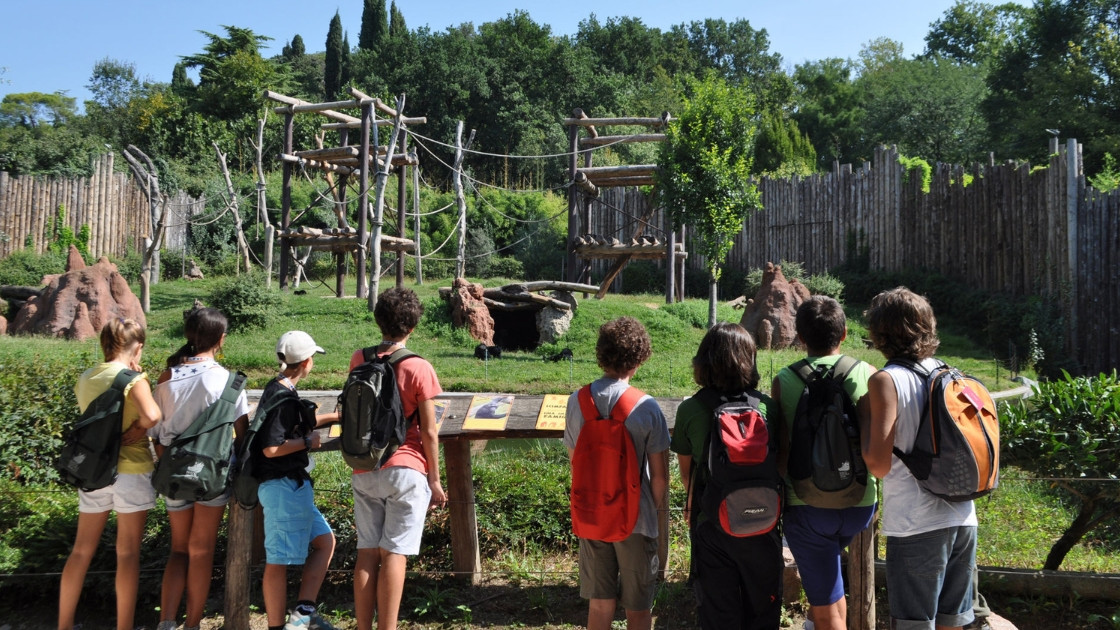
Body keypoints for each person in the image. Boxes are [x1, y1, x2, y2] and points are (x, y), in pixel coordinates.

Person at [863, 287, 977, 630]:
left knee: (914, 623)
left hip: (916, 525)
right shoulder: (951, 373)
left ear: (880, 332)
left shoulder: (887, 380)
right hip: (963, 517)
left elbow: (879, 465)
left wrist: (864, 424)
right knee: (952, 621)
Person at [772, 296, 878, 630]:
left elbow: (782, 450)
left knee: (825, 605)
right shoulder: (868, 374)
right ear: (844, 333)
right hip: (861, 503)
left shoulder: (785, 380)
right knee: (830, 586)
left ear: (799, 337)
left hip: (807, 506)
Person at [670, 321, 783, 629]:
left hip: (712, 523)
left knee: (718, 611)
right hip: (763, 522)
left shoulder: (691, 410)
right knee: (763, 608)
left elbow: (686, 474)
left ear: (703, 360)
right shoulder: (768, 408)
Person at [349, 287, 447, 630]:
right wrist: (434, 480)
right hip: (406, 468)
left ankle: (363, 627)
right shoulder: (419, 366)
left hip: (364, 466)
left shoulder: (359, 359)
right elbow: (431, 431)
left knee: (367, 552)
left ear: (378, 322)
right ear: (413, 326)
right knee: (394, 553)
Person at [563, 316, 670, 630]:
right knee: (638, 608)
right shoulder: (647, 407)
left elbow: (576, 461)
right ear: (640, 358)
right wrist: (652, 507)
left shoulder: (577, 401)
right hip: (637, 520)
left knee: (600, 603)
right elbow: (660, 476)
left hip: (592, 515)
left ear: (600, 354)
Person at [150, 307, 251, 630]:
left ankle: (166, 623)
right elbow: (242, 436)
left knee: (178, 550)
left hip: (174, 475)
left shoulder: (167, 376)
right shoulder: (227, 381)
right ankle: (192, 624)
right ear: (221, 340)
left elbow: (155, 432)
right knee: (201, 550)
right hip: (213, 477)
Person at [59, 318, 162, 630]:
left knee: (80, 550)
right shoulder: (133, 378)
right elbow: (153, 415)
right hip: (131, 470)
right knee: (128, 553)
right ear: (138, 348)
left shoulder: (87, 377)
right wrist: (138, 428)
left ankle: (63, 624)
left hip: (94, 471)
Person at [253, 330, 341, 630]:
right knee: (277, 561)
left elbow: (295, 424)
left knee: (325, 541)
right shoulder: (283, 399)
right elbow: (272, 447)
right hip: (282, 486)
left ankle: (303, 614)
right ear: (306, 361)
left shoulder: (280, 389)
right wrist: (308, 443)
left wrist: (332, 418)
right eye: (312, 356)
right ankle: (280, 626)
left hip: (292, 486)